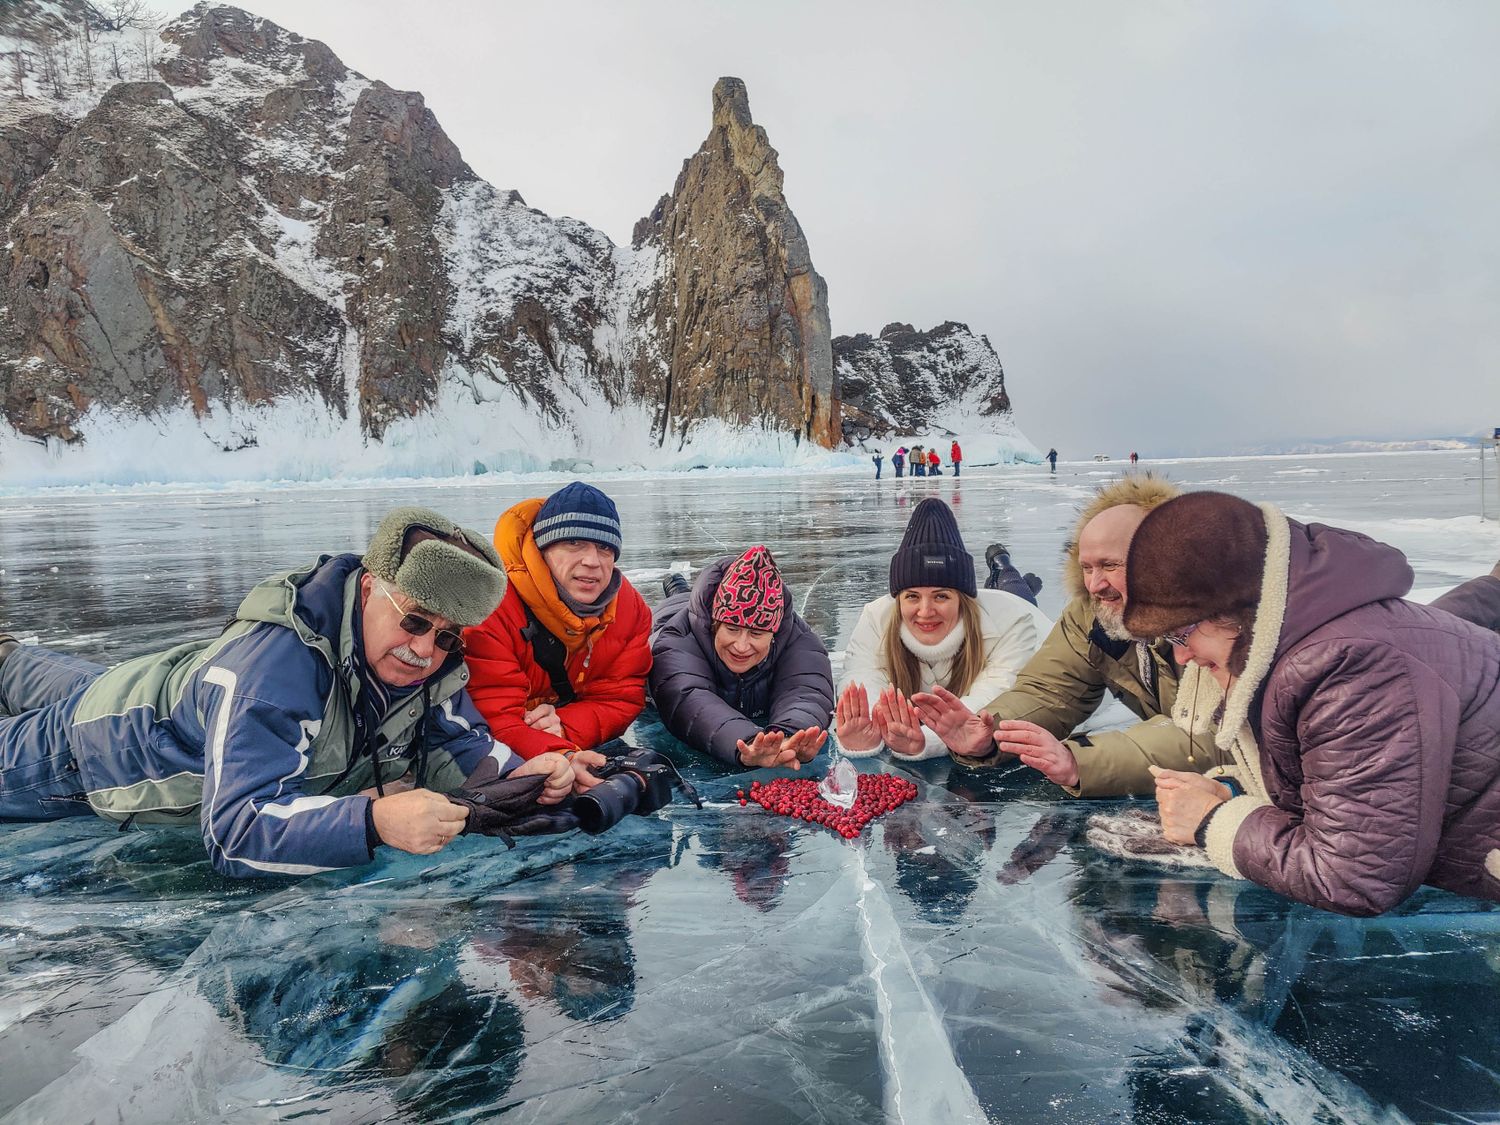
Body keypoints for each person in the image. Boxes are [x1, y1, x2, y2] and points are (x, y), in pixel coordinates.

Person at [0, 507, 576, 877]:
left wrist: (534, 774)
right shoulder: (276, 672)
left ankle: (9, 657)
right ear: (372, 588)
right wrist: (373, 822)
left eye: (449, 637)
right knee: (74, 709)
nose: (426, 650)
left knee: (62, 678)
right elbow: (237, 832)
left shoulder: (429, 666)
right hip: (89, 752)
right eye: (416, 621)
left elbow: (463, 750)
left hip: (152, 683)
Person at [1124, 491, 1500, 915]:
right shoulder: (1313, 640)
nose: (1180, 655)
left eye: (1181, 633)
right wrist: (1233, 789)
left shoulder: (1352, 668)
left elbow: (1353, 877)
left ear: (1240, 609)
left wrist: (1214, 821)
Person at [917, 475, 1224, 796]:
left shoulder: (1216, 619)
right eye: (1088, 568)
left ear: (1160, 559)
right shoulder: (1094, 615)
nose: (1095, 584)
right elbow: (1050, 692)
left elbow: (1215, 736)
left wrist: (1081, 762)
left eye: (1109, 565)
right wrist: (989, 733)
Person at [835, 498, 1050, 760]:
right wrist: (871, 727)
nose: (925, 611)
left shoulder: (1014, 621)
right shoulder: (875, 617)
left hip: (1022, 610)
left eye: (941, 596)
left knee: (1016, 591)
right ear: (898, 598)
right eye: (912, 596)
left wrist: (926, 741)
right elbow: (861, 677)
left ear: (962, 598)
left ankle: (1003, 567)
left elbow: (996, 699)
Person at [464, 482, 651, 782]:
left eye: (604, 548)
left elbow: (622, 697)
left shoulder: (629, 611)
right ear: (542, 549)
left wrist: (564, 725)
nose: (592, 561)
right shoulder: (491, 606)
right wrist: (562, 756)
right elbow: (490, 717)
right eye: (574, 543)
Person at [649, 546, 833, 769]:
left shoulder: (799, 639)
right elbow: (689, 698)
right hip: (665, 617)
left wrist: (787, 736)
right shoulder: (676, 641)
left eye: (756, 633)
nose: (741, 646)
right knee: (680, 599)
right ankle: (678, 589)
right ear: (714, 625)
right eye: (732, 629)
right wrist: (747, 743)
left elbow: (806, 690)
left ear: (774, 634)